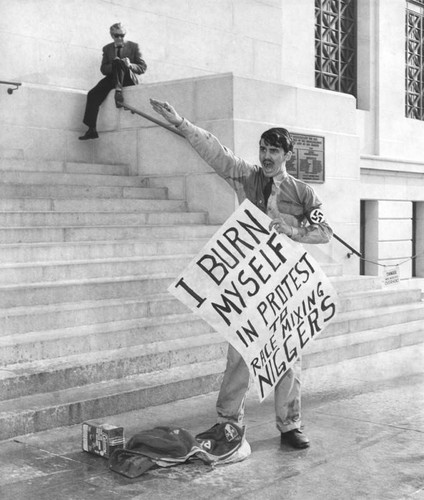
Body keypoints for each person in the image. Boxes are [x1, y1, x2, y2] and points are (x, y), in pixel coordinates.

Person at [149, 98, 333, 450]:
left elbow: (325, 232)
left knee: (286, 354)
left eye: (273, 150)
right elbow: (216, 152)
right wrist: (182, 123)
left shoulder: (303, 192)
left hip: (284, 285)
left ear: (286, 156)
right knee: (238, 352)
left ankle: (290, 424)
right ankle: (228, 422)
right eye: (263, 148)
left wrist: (293, 230)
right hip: (249, 283)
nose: (266, 156)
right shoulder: (246, 177)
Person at [79, 23, 147, 140]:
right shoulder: (107, 49)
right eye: (117, 35)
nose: (120, 38)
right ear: (112, 36)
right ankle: (92, 129)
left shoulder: (134, 47)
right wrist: (114, 65)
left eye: (122, 35)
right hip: (113, 78)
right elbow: (103, 69)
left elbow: (142, 68)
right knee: (92, 94)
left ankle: (118, 91)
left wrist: (129, 65)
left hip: (128, 78)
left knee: (120, 63)